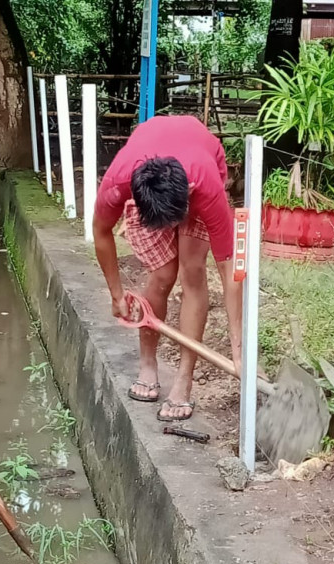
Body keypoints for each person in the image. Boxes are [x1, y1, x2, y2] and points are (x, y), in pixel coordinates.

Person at [92, 115, 242, 422]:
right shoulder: (121, 180)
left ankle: (183, 381)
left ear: (188, 190)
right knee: (162, 274)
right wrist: (116, 294)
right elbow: (101, 232)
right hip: (156, 179)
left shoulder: (206, 186)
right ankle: (148, 364)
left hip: (200, 170)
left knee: (192, 272)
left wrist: (239, 348)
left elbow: (230, 271)